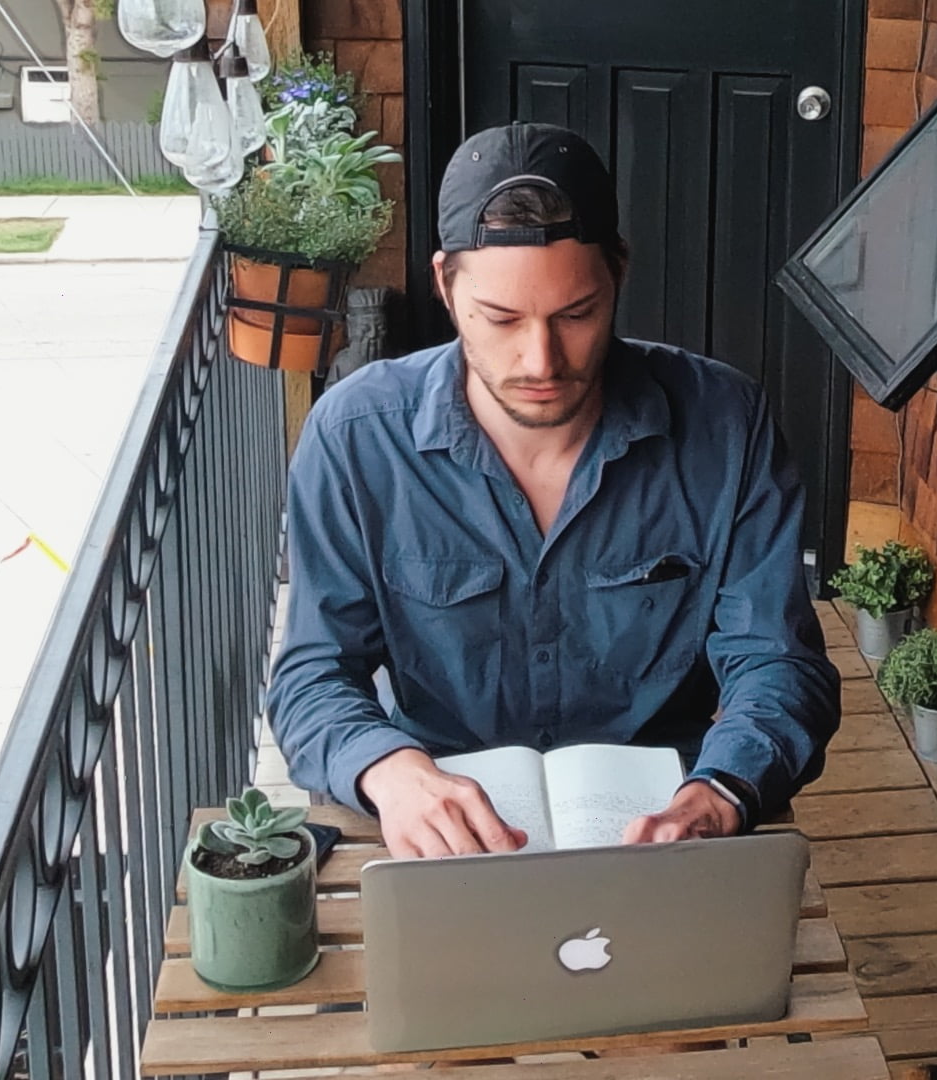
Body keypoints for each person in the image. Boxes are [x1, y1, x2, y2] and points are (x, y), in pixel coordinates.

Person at [266, 122, 840, 859]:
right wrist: (391, 771)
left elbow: (777, 658)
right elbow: (315, 672)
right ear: (445, 284)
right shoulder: (355, 436)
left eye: (577, 315)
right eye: (501, 319)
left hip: (664, 836)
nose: (541, 360)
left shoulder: (727, 425)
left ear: (619, 275)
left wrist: (723, 789)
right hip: (447, 841)